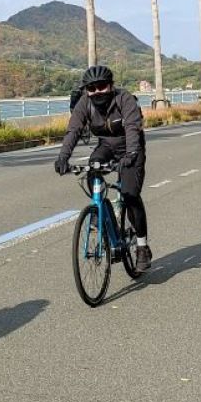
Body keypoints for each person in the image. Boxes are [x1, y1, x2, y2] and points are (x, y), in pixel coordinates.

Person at [54, 65, 152, 272]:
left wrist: (132, 154)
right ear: (86, 90)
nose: (97, 91)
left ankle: (142, 247)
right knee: (92, 167)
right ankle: (101, 211)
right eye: (92, 88)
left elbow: (133, 127)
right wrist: (63, 157)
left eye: (102, 86)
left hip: (130, 147)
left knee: (130, 194)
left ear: (111, 85)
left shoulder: (123, 98)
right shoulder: (85, 103)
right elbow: (73, 130)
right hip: (106, 146)